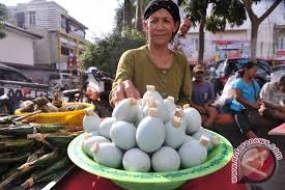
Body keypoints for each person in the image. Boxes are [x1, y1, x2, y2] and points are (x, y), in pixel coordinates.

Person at [109, 0, 192, 107]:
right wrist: (121, 89)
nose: (160, 27)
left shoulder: (181, 61)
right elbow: (119, 85)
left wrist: (171, 113)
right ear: (145, 25)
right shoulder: (130, 57)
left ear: (175, 26)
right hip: (137, 123)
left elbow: (186, 98)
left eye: (166, 21)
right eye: (154, 21)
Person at [228, 61, 262, 139]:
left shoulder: (255, 84)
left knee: (256, 127)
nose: (255, 73)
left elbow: (258, 96)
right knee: (245, 129)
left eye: (256, 71)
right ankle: (259, 146)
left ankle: (257, 146)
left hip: (250, 110)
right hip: (238, 110)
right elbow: (237, 97)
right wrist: (251, 104)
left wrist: (257, 103)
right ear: (246, 69)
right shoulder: (237, 83)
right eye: (254, 70)